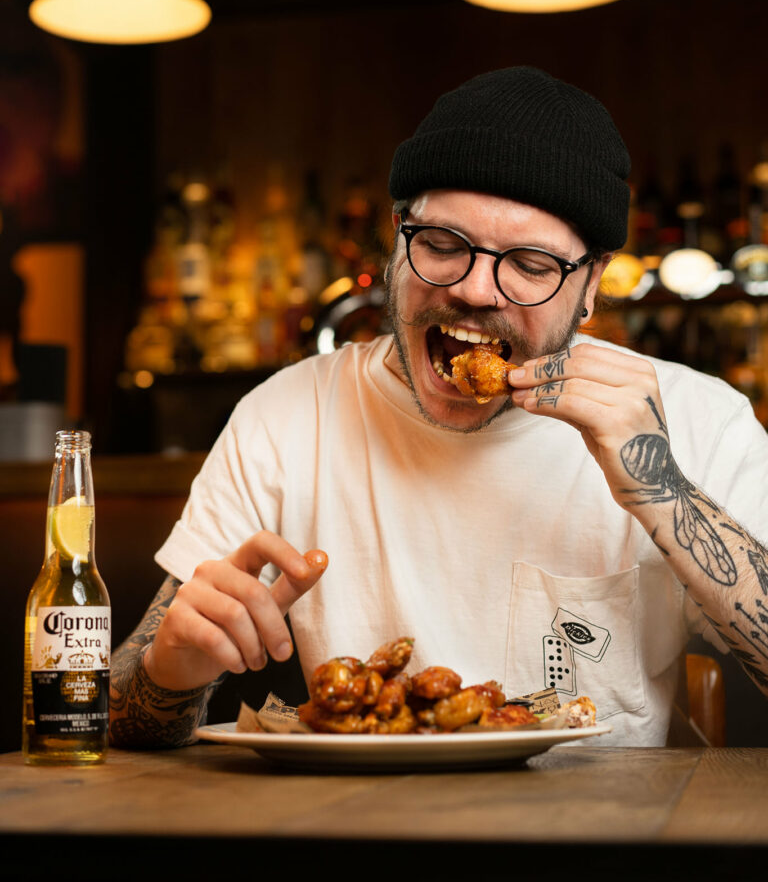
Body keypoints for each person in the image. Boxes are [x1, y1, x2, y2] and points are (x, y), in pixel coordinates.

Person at [110, 66, 768, 748]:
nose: (477, 290)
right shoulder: (285, 418)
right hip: (358, 814)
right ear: (397, 241)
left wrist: (663, 492)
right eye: (443, 246)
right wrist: (171, 669)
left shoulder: (695, 420)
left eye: (531, 266)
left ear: (591, 284)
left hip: (600, 818)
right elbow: (123, 717)